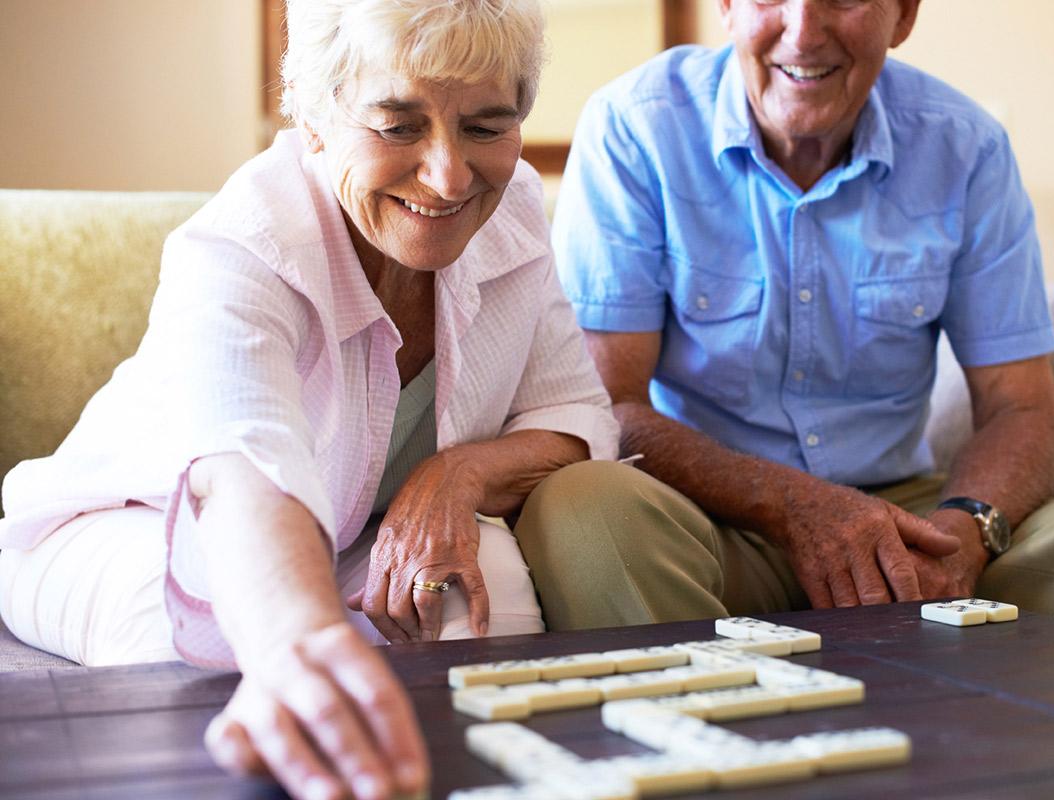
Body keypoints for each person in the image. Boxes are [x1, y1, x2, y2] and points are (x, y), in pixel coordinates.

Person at [0, 1, 619, 798]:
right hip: (124, 524)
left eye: (485, 128)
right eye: (398, 126)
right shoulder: (243, 243)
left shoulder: (515, 211)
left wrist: (456, 476)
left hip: (348, 536)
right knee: (214, 645)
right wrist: (296, 633)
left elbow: (575, 415)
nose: (448, 176)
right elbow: (243, 466)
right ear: (316, 117)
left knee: (483, 597)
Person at [522, 0, 1054, 645]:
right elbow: (610, 406)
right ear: (727, 6)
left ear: (903, 14)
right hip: (708, 520)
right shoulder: (636, 126)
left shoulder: (967, 147)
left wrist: (962, 532)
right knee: (582, 512)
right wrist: (798, 509)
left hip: (908, 521)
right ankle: (717, 750)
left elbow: (1020, 406)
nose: (804, 31)